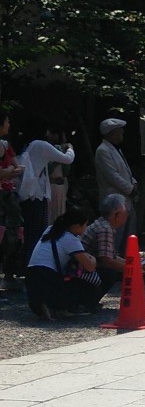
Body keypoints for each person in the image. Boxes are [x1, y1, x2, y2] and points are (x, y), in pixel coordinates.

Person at [17, 123, 76, 274]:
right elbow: (67, 159)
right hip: (36, 194)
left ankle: (25, 267)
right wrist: (70, 147)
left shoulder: (29, 145)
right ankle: (33, 269)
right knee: (37, 234)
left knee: (30, 233)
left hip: (29, 193)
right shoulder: (40, 145)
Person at [25, 209, 96, 319]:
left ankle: (46, 304)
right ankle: (62, 307)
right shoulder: (70, 239)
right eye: (85, 225)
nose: (85, 228)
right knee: (85, 281)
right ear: (77, 225)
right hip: (47, 275)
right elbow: (90, 267)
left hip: (31, 274)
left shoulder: (50, 230)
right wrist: (93, 258)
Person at [80, 194, 129, 310]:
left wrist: (133, 265)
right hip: (82, 269)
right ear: (116, 215)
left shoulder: (103, 224)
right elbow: (107, 260)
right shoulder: (105, 229)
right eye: (125, 213)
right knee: (110, 273)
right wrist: (132, 270)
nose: (126, 216)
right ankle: (88, 302)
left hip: (84, 265)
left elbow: (111, 255)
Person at [94, 118, 137, 251]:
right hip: (114, 200)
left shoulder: (116, 150)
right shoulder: (103, 151)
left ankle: (124, 266)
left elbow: (126, 172)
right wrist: (130, 189)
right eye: (119, 132)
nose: (122, 135)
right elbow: (112, 176)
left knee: (128, 236)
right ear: (111, 133)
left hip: (125, 200)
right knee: (115, 238)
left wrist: (134, 183)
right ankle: (113, 267)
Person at [0, 110, 26, 293]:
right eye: (7, 121)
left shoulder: (6, 144)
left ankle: (9, 275)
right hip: (3, 196)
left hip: (9, 196)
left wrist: (8, 170)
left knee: (14, 234)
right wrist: (10, 170)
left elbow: (18, 168)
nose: (9, 125)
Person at [45, 126, 70, 224]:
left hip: (61, 185)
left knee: (60, 213)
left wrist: (64, 155)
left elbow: (66, 172)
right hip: (50, 184)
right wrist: (58, 157)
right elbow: (48, 169)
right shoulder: (46, 148)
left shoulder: (64, 150)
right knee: (50, 214)